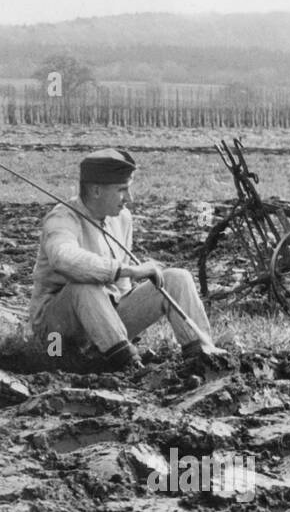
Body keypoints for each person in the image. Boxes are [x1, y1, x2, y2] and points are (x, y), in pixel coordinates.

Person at [29, 148, 218, 370]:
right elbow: (63, 259)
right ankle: (130, 368)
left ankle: (203, 357)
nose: (130, 198)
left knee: (177, 278)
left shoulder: (122, 218)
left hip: (104, 327)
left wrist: (125, 290)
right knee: (84, 286)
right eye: (122, 190)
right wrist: (127, 270)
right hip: (57, 338)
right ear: (96, 190)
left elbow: (121, 290)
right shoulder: (62, 218)